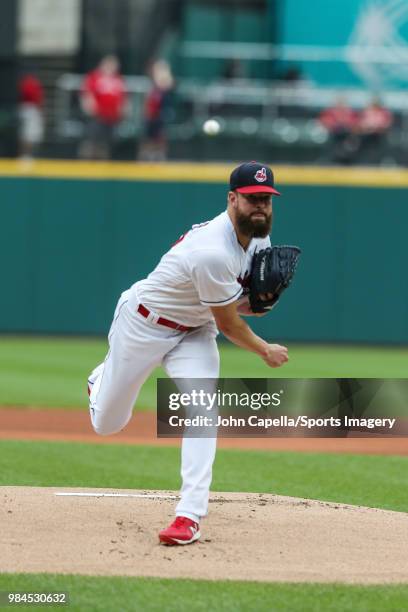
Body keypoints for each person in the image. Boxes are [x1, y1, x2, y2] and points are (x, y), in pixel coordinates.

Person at [87, 161, 289, 545]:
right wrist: (265, 350)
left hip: (195, 329)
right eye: (251, 199)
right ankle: (99, 380)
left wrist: (262, 302)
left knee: (202, 407)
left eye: (266, 199)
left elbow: (236, 306)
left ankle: (188, 516)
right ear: (232, 199)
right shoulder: (213, 250)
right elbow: (231, 324)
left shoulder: (259, 240)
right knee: (108, 423)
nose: (260, 206)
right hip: (144, 324)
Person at [79, 55, 128, 160]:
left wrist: (123, 109)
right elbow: (87, 93)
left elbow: (122, 97)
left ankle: (103, 166)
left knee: (106, 144)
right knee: (91, 142)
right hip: (97, 116)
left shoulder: (118, 79)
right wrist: (89, 105)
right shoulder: (94, 77)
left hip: (112, 117)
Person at [138, 60, 174, 161]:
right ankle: (145, 158)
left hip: (161, 115)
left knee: (160, 137)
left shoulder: (166, 83)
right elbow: (147, 101)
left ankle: (159, 157)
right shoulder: (150, 83)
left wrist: (164, 73)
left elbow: (167, 84)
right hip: (150, 115)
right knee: (147, 138)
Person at [319, 96, 359, 164]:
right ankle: (330, 160)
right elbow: (325, 121)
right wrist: (335, 125)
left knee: (352, 141)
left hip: (347, 134)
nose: (341, 104)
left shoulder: (350, 112)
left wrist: (347, 125)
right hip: (333, 134)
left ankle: (347, 160)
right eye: (339, 102)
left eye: (343, 102)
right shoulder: (331, 112)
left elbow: (355, 123)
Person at [355, 97, 393, 165]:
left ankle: (382, 161)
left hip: (379, 134)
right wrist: (367, 128)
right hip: (366, 134)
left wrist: (376, 128)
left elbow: (386, 124)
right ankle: (362, 160)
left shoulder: (384, 112)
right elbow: (361, 124)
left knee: (381, 141)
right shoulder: (367, 112)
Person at [18, 74, 45, 160]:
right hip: (30, 109)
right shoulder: (30, 83)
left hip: (27, 109)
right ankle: (26, 156)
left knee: (29, 135)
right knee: (28, 135)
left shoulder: (27, 82)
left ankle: (27, 156)